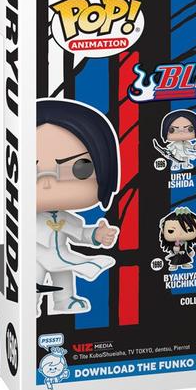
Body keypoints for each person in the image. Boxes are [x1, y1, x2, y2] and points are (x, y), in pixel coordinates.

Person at [36, 99, 120, 315]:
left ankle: (65, 300)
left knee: (64, 276)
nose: (48, 183)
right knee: (32, 281)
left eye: (80, 169)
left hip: (62, 254)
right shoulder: (26, 218)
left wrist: (96, 235)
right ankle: (28, 304)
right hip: (33, 257)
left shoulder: (66, 217)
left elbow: (79, 233)